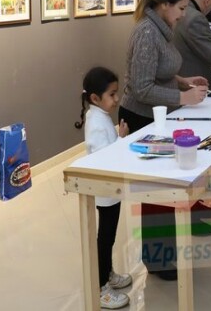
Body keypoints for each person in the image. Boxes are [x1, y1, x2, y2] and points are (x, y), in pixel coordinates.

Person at [119, 0, 210, 281]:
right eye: (181, 8)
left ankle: (163, 253)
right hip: (141, 118)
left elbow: (160, 71)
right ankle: (157, 259)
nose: (184, 14)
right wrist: (183, 97)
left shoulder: (161, 28)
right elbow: (142, 88)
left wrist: (182, 81)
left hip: (157, 116)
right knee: (155, 192)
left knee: (164, 189)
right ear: (164, 4)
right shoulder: (147, 32)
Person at [75, 67, 133, 309]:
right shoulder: (97, 123)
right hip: (105, 191)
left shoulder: (99, 115)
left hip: (111, 190)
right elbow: (104, 157)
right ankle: (100, 288)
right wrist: (121, 139)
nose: (116, 99)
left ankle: (107, 274)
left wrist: (118, 138)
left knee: (109, 237)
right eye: (112, 94)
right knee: (105, 239)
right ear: (95, 98)